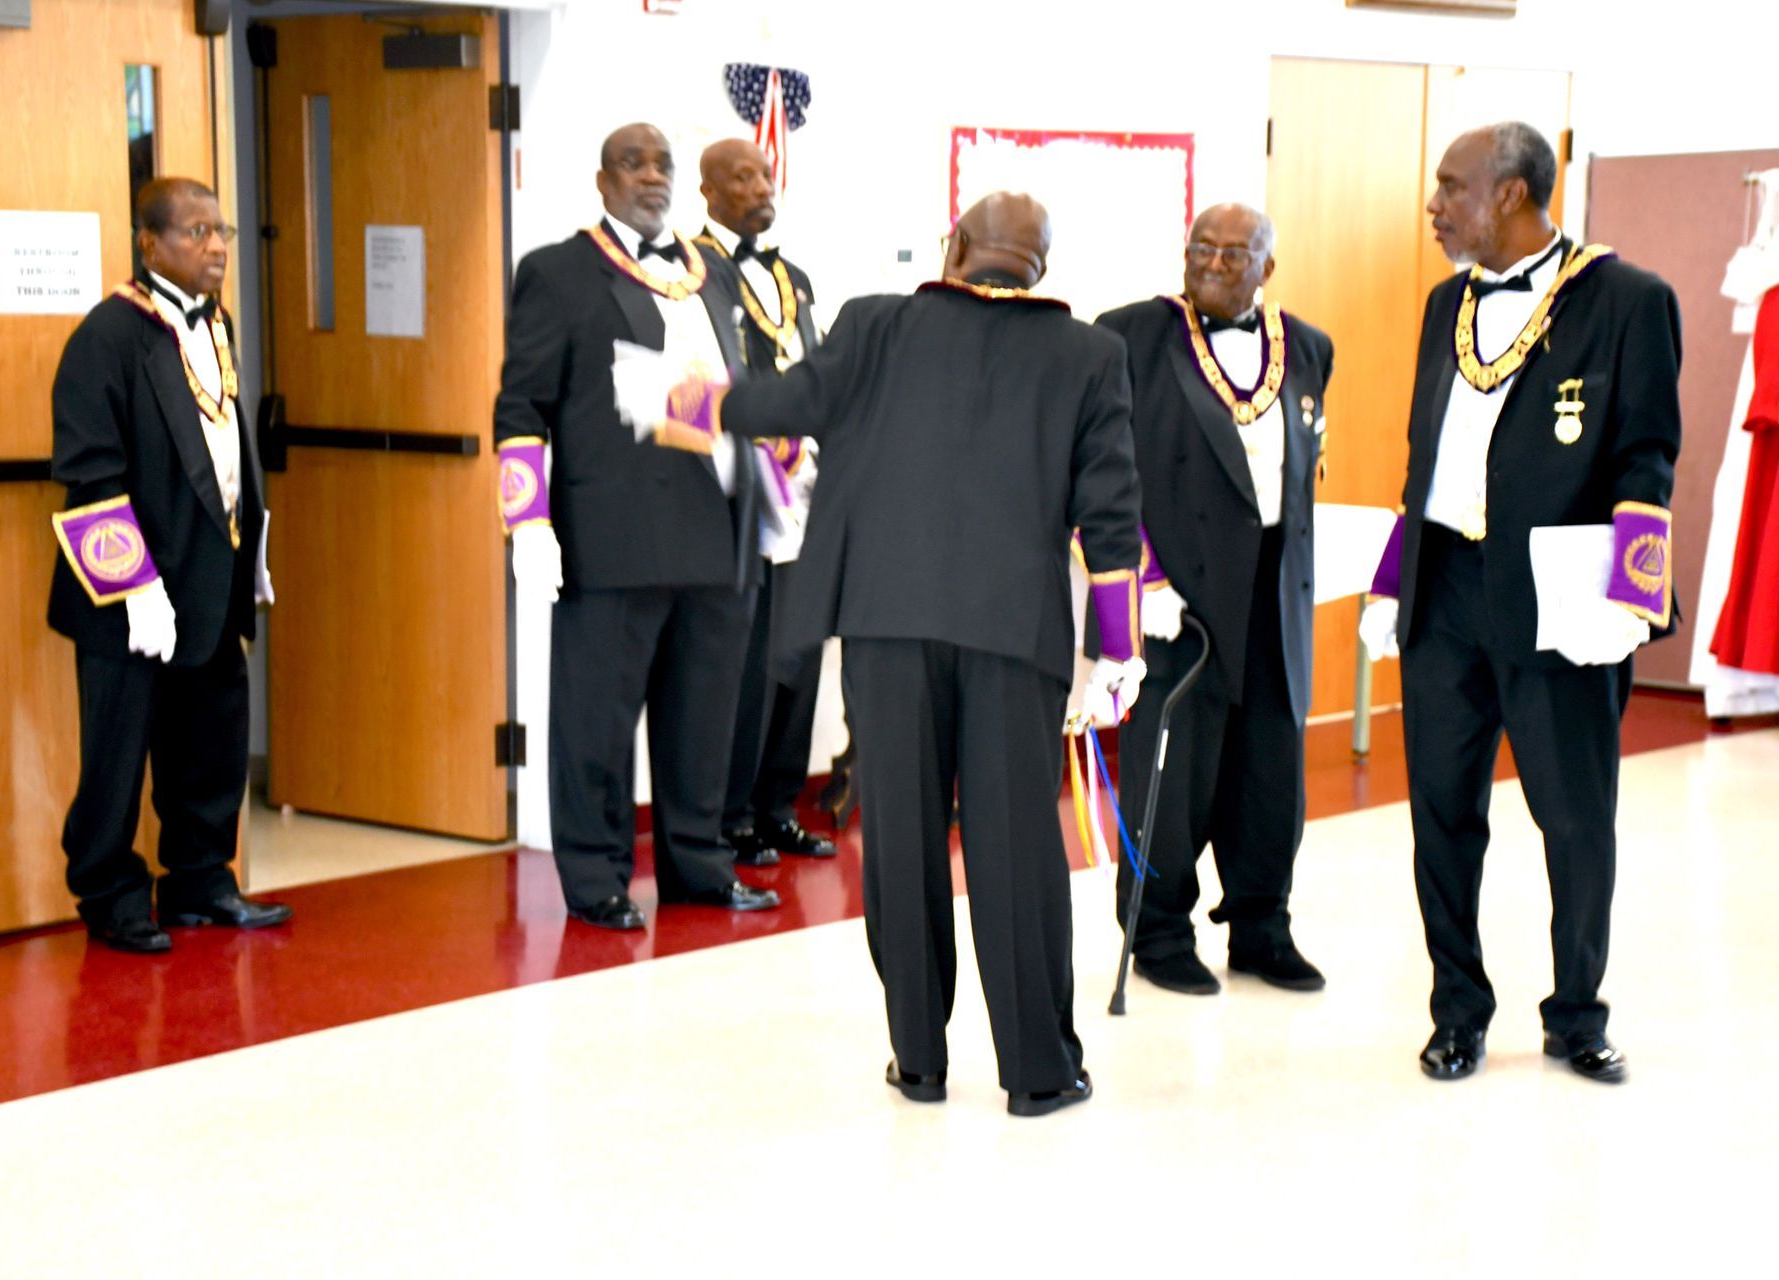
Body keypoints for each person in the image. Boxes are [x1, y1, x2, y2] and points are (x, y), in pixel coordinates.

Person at [617, 192, 1148, 1116]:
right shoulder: (1090, 355)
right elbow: (1111, 518)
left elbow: (779, 405)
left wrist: (663, 396)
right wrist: (1117, 651)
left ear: (954, 248)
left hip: (887, 624)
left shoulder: (874, 326)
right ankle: (1039, 1071)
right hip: (1013, 636)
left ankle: (920, 1060)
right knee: (1016, 849)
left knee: (902, 843)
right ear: (1041, 267)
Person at [1359, 123, 1681, 1084]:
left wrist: (1633, 592)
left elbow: (1647, 458)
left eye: (1450, 187)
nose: (1435, 205)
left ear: (1508, 194)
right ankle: (1457, 1011)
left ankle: (1577, 1013)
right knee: (1441, 818)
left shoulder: (1629, 300)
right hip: (1446, 596)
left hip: (1562, 600)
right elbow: (1425, 460)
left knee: (1576, 822)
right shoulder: (1444, 304)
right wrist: (1393, 581)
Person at [492, 122, 779, 931]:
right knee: (597, 722)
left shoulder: (714, 273)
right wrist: (527, 521)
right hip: (614, 535)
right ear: (602, 180)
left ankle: (698, 866)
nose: (652, 177)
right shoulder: (558, 272)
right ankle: (596, 877)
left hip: (718, 529)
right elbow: (521, 406)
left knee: (704, 721)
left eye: (662, 165)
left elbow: (735, 391)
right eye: (633, 163)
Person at [1095, 204, 1334, 996]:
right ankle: (1159, 931)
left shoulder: (1309, 348)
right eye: (1203, 249)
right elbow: (1107, 475)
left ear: (1268, 267)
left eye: (1236, 253)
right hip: (1179, 592)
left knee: (1270, 771)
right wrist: (1142, 577)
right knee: (1174, 773)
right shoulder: (1131, 337)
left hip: (1274, 588)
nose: (1215, 264)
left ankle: (1262, 926)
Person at [48, 176, 291, 954]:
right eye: (196, 232)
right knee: (118, 752)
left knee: (210, 741)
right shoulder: (106, 337)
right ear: (149, 243)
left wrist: (251, 551)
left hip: (211, 577)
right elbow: (90, 475)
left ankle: (201, 880)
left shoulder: (216, 323)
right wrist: (134, 587)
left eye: (221, 231)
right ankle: (111, 895)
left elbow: (223, 445)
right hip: (133, 591)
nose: (216, 247)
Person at [693, 138, 836, 866]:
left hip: (806, 487)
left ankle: (779, 806)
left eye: (765, 174)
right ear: (708, 192)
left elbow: (817, 364)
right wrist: (762, 437)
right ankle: (733, 813)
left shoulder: (795, 276)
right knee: (745, 663)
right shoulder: (694, 271)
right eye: (743, 176)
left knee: (798, 656)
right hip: (740, 489)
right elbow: (697, 380)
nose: (761, 186)